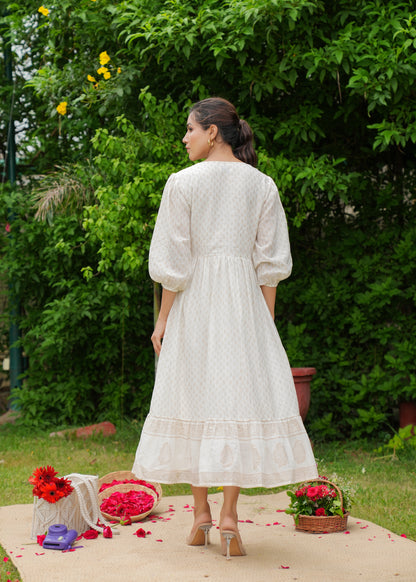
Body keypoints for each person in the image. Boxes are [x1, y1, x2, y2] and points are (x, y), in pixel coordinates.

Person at [132, 97, 318, 559]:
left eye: (190, 129)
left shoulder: (181, 184)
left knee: (194, 397)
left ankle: (200, 514)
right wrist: (263, 325)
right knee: (234, 402)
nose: (184, 137)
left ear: (213, 132)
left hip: (195, 304)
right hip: (244, 308)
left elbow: (173, 265)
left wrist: (162, 321)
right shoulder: (262, 186)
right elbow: (270, 266)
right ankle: (230, 518)